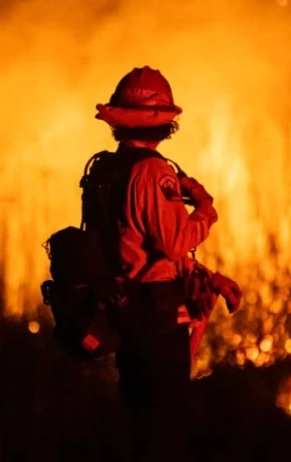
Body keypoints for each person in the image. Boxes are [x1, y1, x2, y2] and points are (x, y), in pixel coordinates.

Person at [87, 66, 242, 462]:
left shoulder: (105, 169)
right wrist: (205, 209)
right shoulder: (153, 172)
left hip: (125, 313)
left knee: (142, 428)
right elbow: (174, 243)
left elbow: (133, 246)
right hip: (156, 320)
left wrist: (209, 278)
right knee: (165, 434)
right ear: (165, 123)